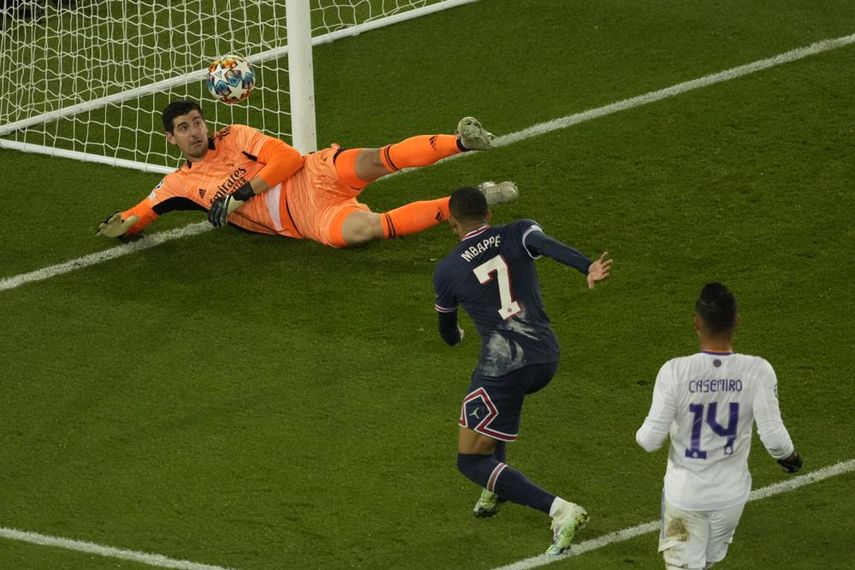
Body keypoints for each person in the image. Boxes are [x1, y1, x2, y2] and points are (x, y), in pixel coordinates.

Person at [432, 186, 613, 555]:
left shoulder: (447, 270)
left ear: (452, 222)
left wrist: (458, 336)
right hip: (545, 356)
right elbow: (546, 244)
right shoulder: (518, 230)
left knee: (470, 459)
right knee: (491, 410)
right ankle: (495, 490)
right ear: (489, 214)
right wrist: (587, 266)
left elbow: (448, 333)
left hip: (505, 367)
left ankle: (560, 510)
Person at [96, 100, 519, 246]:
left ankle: (462, 141)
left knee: (377, 159)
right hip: (305, 219)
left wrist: (241, 194)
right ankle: (475, 200)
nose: (194, 132)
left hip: (312, 175)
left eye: (197, 122)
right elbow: (141, 212)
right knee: (367, 230)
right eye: (184, 128)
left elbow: (289, 160)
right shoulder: (179, 184)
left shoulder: (236, 135)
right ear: (171, 139)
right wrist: (120, 225)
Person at [635, 282, 803, 570]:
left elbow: (650, 440)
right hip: (730, 499)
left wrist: (644, 430)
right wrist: (792, 459)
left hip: (684, 498)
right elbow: (775, 440)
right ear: (737, 321)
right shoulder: (758, 371)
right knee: (705, 563)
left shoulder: (675, 372)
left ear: (697, 323)